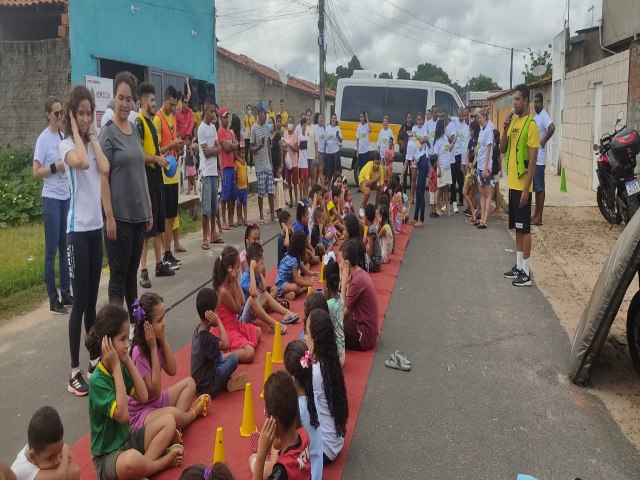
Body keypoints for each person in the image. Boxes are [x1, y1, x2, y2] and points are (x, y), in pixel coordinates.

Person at [85, 304, 184, 480]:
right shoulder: (98, 380)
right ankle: (160, 463)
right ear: (106, 342)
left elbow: (143, 395)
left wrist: (126, 361)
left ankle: (143, 468)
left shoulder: (122, 366)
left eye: (127, 339)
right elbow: (123, 415)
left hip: (127, 441)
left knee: (169, 421)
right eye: (122, 339)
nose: (127, 344)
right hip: (108, 458)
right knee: (132, 460)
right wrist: (116, 366)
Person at [60, 85, 110, 396]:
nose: (85, 118)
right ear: (70, 114)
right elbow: (82, 163)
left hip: (95, 229)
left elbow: (103, 166)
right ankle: (74, 370)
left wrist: (92, 135)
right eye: (80, 113)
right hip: (76, 231)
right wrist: (79, 133)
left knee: (92, 301)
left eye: (89, 113)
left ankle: (93, 360)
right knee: (79, 303)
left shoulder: (91, 142)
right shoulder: (65, 145)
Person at [99, 72, 152, 332]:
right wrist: (108, 216)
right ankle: (115, 331)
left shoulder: (134, 130)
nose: (124, 104)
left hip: (138, 215)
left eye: (128, 99)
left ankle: (136, 328)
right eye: (120, 98)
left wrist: (149, 208)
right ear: (114, 98)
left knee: (132, 276)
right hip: (118, 218)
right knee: (118, 276)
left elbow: (141, 172)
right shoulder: (107, 134)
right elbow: (103, 177)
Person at [129, 293, 210, 431]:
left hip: (157, 401)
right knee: (172, 415)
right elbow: (154, 390)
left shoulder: (158, 341)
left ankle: (175, 427)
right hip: (142, 412)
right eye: (159, 320)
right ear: (147, 326)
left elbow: (172, 370)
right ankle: (191, 415)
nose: (164, 323)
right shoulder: (138, 352)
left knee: (190, 383)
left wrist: (162, 339)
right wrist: (153, 348)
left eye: (164, 318)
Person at [33, 95, 72, 315]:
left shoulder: (62, 136)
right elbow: (36, 172)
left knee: (66, 248)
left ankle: (66, 293)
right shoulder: (44, 139)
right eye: (56, 113)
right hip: (51, 199)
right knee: (51, 251)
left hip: (65, 196)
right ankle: (53, 299)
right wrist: (56, 167)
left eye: (61, 113)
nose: (60, 117)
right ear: (48, 114)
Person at [135, 82, 174, 289]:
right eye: (151, 100)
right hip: (146, 179)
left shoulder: (150, 123)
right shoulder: (139, 123)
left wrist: (162, 158)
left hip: (157, 178)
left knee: (158, 226)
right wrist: (156, 159)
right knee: (146, 229)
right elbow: (138, 155)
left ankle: (159, 264)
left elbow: (152, 151)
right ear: (142, 102)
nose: (154, 103)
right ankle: (143, 271)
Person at [500, 84, 540, 287]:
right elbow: (503, 148)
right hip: (513, 185)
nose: (514, 103)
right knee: (517, 228)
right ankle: (518, 265)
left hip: (523, 186)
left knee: (525, 229)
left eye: (517, 99)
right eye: (513, 99)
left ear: (526, 101)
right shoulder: (515, 123)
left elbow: (533, 160)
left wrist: (526, 189)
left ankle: (526, 271)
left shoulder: (531, 125)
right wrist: (505, 127)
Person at [304, 308, 348, 465]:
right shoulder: (330, 359)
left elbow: (296, 386)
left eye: (307, 333)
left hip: (324, 450)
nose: (305, 337)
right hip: (336, 440)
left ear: (315, 339)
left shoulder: (315, 372)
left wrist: (307, 355)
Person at [251, 371, 311, 480]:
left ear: (273, 419)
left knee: (252, 460)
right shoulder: (304, 435)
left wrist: (261, 456)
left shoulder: (281, 471)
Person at [192, 288, 248, 398]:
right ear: (210, 315)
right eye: (217, 311)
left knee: (220, 356)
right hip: (208, 386)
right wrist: (218, 322)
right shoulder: (206, 338)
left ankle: (226, 380)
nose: (218, 314)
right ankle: (225, 382)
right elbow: (226, 344)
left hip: (200, 380)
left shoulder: (198, 331)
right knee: (233, 358)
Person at [213, 246, 262, 363]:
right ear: (230, 268)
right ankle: (221, 357)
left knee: (258, 332)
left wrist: (235, 281)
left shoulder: (230, 284)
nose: (239, 268)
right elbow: (238, 308)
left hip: (235, 326)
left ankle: (237, 347)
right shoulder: (223, 290)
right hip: (225, 331)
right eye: (237, 266)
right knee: (250, 353)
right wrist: (234, 282)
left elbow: (243, 301)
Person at [153, 86, 184, 269]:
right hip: (163, 175)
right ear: (165, 99)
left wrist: (177, 146)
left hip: (173, 173)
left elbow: (173, 146)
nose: (173, 108)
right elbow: (156, 150)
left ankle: (168, 251)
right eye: (171, 104)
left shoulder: (173, 118)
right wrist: (171, 144)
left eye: (175, 105)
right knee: (164, 217)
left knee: (172, 214)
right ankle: (164, 254)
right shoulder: (158, 119)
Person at [284, 340, 323, 480]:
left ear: (292, 379)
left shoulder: (298, 409)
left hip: (307, 471)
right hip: (317, 467)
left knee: (261, 464)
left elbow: (284, 444)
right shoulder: (311, 394)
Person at [11, 406, 80, 480]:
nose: (58, 460)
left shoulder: (40, 448)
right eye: (50, 458)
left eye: (60, 450)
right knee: (71, 472)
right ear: (33, 457)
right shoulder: (23, 470)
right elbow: (60, 477)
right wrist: (65, 448)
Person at [240, 243, 297, 332]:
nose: (263, 266)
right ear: (253, 264)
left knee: (265, 294)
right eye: (261, 263)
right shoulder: (245, 277)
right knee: (252, 299)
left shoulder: (256, 274)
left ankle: (287, 313)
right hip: (243, 318)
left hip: (253, 313)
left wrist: (258, 273)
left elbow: (264, 288)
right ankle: (273, 324)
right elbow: (253, 293)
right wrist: (251, 269)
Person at [340, 238, 379, 350]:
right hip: (367, 329)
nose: (339, 265)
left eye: (340, 262)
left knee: (332, 326)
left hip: (365, 336)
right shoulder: (360, 274)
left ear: (347, 264)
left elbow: (341, 314)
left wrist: (343, 284)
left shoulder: (357, 281)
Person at [197, 97, 223, 249]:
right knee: (206, 209)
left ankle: (213, 233)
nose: (214, 114)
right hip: (206, 172)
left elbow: (218, 149)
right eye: (212, 111)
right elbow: (206, 152)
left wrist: (213, 150)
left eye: (215, 111)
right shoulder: (201, 129)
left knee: (214, 207)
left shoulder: (213, 128)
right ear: (205, 111)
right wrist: (214, 150)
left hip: (214, 172)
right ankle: (204, 237)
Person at [251, 101, 276, 222]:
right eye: (264, 113)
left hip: (267, 164)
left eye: (266, 113)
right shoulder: (254, 129)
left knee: (271, 191)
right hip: (259, 166)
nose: (265, 115)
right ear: (259, 113)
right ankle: (261, 215)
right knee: (261, 192)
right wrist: (258, 147)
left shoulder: (266, 127)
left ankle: (272, 214)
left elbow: (268, 146)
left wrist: (271, 163)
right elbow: (250, 148)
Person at [532, 92, 555, 226]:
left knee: (540, 188)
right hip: (535, 158)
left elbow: (552, 128)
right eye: (534, 102)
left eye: (538, 102)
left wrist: (543, 141)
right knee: (537, 187)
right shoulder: (537, 116)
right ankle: (535, 214)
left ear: (542, 102)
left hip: (540, 158)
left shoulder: (544, 116)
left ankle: (539, 217)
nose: (535, 105)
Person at [275, 230, 317, 300]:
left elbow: (303, 268)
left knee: (303, 280)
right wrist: (309, 283)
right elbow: (297, 279)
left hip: (288, 280)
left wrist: (312, 273)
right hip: (281, 284)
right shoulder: (293, 260)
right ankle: (294, 292)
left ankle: (290, 294)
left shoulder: (296, 256)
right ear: (300, 246)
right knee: (296, 286)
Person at [217, 107, 238, 230]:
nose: (227, 119)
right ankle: (224, 220)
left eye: (227, 116)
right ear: (221, 118)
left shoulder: (230, 132)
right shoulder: (220, 131)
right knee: (224, 196)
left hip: (232, 166)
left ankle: (230, 219)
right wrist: (232, 145)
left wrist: (232, 145)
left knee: (232, 195)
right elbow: (226, 147)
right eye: (225, 117)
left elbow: (237, 144)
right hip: (224, 166)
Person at [323, 259, 345, 366]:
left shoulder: (328, 305)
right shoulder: (340, 298)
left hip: (333, 357)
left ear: (325, 283)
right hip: (341, 351)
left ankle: (305, 364)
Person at [475, 109, 494, 229]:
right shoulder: (481, 130)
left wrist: (486, 168)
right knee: (481, 193)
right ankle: (481, 217)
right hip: (479, 165)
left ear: (485, 117)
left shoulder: (489, 130)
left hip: (486, 166)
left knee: (487, 193)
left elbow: (488, 150)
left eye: (480, 117)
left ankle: (485, 219)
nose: (478, 119)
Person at [463, 120, 481, 223]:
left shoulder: (478, 142)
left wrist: (473, 164)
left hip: (474, 171)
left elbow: (476, 155)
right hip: (470, 169)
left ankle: (474, 212)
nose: (470, 132)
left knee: (471, 192)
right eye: (469, 130)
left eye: (471, 130)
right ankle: (474, 210)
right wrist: (467, 162)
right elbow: (467, 154)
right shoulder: (470, 141)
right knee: (467, 192)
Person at [451, 107, 468, 208]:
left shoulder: (466, 127)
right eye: (460, 115)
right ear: (458, 114)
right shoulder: (455, 121)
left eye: (463, 115)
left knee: (460, 179)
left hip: (460, 156)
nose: (461, 117)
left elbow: (464, 144)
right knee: (452, 178)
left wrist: (463, 160)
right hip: (453, 154)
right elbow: (447, 117)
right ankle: (452, 199)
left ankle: (461, 200)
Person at [411, 112, 429, 205]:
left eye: (420, 120)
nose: (419, 121)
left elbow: (425, 138)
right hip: (414, 156)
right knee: (413, 177)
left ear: (422, 120)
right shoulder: (414, 128)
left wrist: (417, 142)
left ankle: (420, 197)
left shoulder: (425, 127)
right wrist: (419, 143)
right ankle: (412, 197)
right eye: (418, 120)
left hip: (422, 156)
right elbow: (413, 138)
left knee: (421, 178)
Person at [282, 115, 300, 207]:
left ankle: (296, 199)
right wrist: (285, 148)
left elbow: (297, 149)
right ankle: (291, 200)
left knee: (295, 183)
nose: (290, 124)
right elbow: (283, 146)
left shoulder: (295, 134)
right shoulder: (285, 133)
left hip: (294, 161)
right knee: (288, 182)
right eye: (288, 122)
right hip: (287, 161)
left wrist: (290, 145)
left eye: (291, 122)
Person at [363, 204, 382, 273]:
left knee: (358, 265)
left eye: (364, 216)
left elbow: (370, 252)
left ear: (366, 217)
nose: (363, 217)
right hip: (374, 260)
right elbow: (364, 242)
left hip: (375, 264)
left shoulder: (372, 230)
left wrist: (363, 248)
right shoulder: (370, 227)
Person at [399, 111, 414, 195]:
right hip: (405, 153)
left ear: (412, 118)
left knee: (412, 174)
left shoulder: (414, 127)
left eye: (410, 118)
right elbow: (399, 138)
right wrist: (401, 148)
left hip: (412, 154)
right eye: (407, 118)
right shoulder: (403, 127)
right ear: (406, 119)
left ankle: (412, 193)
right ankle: (404, 193)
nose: (409, 119)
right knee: (404, 174)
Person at [324, 114, 342, 183]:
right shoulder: (327, 127)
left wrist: (338, 136)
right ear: (330, 119)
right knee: (329, 174)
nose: (334, 119)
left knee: (336, 173)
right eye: (332, 118)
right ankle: (329, 189)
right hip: (328, 152)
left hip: (335, 153)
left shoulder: (338, 128)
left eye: (335, 118)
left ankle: (335, 187)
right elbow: (325, 139)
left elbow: (341, 141)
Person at [491, 129, 503, 217]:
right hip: (495, 170)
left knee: (497, 190)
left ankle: (497, 210)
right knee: (496, 190)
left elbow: (499, 159)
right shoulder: (495, 147)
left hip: (495, 171)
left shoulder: (495, 148)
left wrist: (501, 170)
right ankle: (496, 209)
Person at [298, 117, 310, 199]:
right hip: (301, 163)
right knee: (301, 181)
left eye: (305, 126)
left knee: (306, 181)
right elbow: (298, 150)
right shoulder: (299, 137)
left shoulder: (307, 136)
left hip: (306, 163)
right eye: (303, 126)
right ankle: (301, 197)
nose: (304, 127)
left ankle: (305, 196)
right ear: (301, 126)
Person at [306, 109, 318, 185]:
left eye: (310, 115)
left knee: (312, 176)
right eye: (307, 115)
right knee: (306, 177)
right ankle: (306, 194)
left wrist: (316, 157)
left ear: (311, 116)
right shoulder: (303, 127)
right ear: (305, 116)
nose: (309, 117)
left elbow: (316, 143)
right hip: (305, 156)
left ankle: (313, 194)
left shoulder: (314, 128)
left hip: (312, 156)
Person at [315, 113, 327, 185]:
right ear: (317, 119)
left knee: (318, 172)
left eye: (322, 118)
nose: (321, 119)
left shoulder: (323, 128)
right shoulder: (315, 127)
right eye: (320, 118)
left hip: (323, 151)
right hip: (318, 151)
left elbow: (324, 139)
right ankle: (322, 187)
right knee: (321, 169)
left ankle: (314, 186)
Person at [243, 104, 255, 170]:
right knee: (246, 152)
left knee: (251, 152)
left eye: (250, 109)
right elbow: (244, 125)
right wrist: (244, 133)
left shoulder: (253, 117)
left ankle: (250, 167)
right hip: (246, 137)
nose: (249, 110)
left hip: (251, 137)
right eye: (248, 109)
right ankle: (246, 165)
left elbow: (253, 126)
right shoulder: (245, 117)